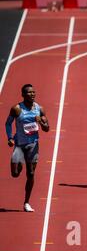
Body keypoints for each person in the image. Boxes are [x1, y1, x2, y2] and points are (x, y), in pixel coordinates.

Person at [5, 84, 50, 212]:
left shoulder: (39, 109)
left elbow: (47, 129)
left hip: (33, 145)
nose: (32, 94)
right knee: (15, 174)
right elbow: (8, 123)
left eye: (33, 92)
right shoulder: (17, 109)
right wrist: (10, 138)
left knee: (30, 173)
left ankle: (26, 203)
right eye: (29, 93)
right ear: (23, 95)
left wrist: (40, 121)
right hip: (19, 145)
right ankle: (19, 163)